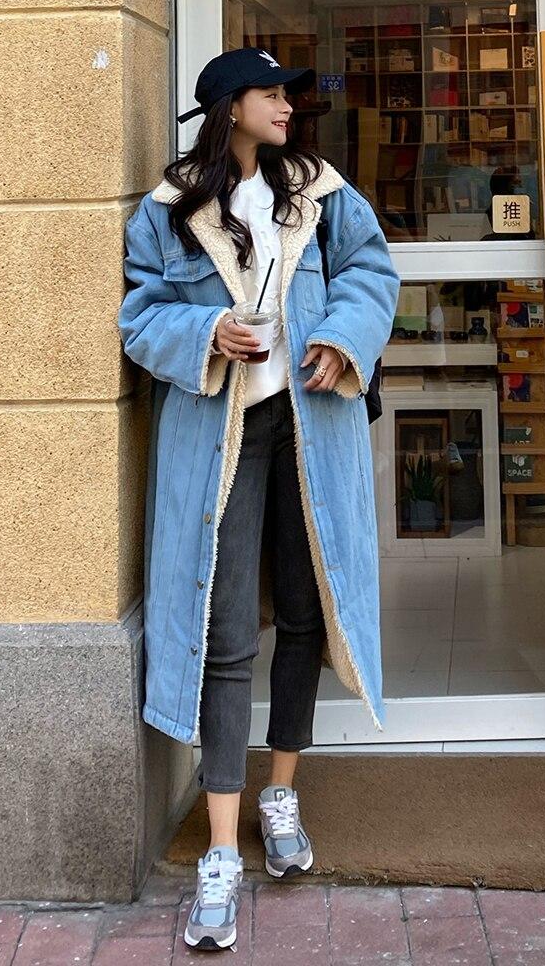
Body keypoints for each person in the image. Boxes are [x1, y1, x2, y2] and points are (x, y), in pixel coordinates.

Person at [118, 46, 400, 952]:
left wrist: (343, 336)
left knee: (308, 612)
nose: (287, 107)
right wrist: (209, 329)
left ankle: (281, 792)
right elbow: (139, 316)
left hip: (310, 424)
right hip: (222, 430)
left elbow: (371, 272)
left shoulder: (320, 191)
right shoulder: (170, 209)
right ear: (230, 107)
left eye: (288, 95)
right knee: (227, 626)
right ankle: (220, 850)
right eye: (272, 94)